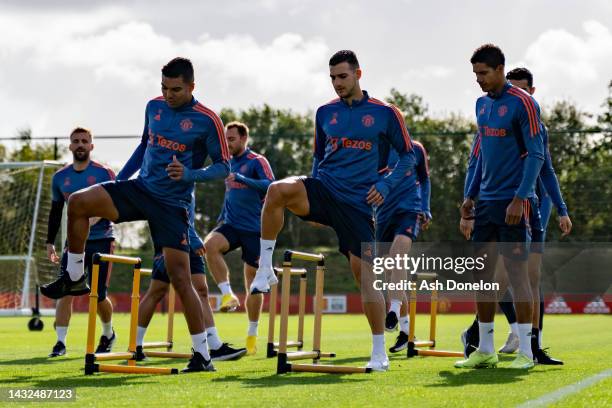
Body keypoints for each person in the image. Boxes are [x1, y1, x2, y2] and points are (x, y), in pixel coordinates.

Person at [41, 57, 230, 373]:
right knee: (77, 202)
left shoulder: (207, 120)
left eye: (176, 89)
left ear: (192, 87)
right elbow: (144, 145)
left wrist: (189, 174)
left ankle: (203, 356)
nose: (169, 95)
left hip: (173, 205)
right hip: (141, 189)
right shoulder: (153, 107)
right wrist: (118, 182)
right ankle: (74, 276)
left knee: (182, 279)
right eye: (164, 88)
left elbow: (224, 168)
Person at [249, 50, 417, 371]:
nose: (337, 83)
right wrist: (310, 203)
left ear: (358, 74)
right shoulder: (324, 113)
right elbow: (317, 157)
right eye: (332, 78)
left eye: (342, 76)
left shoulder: (386, 113)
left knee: (365, 275)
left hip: (357, 204)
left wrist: (385, 186)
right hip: (323, 188)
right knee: (276, 190)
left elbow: (408, 157)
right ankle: (264, 269)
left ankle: (379, 352)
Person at [460, 67, 571, 365]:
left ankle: (530, 347)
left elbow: (545, 170)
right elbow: (477, 162)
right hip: (493, 205)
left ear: (530, 93)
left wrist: (560, 209)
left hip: (528, 209)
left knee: (527, 278)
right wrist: (468, 199)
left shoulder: (535, 126)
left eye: (523, 90)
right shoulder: (489, 114)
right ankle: (483, 339)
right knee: (492, 279)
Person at [456, 44, 545, 370]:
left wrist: (520, 198)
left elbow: (536, 155)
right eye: (475, 74)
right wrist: (470, 196)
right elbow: (480, 157)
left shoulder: (524, 104)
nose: (478, 80)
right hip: (487, 205)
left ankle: (525, 352)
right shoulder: (481, 105)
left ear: (499, 69)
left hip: (514, 204)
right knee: (482, 278)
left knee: (519, 277)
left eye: (483, 73)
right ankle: (486, 349)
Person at [136, 198, 246, 362]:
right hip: (172, 242)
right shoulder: (165, 183)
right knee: (157, 291)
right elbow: (172, 216)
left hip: (190, 241)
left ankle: (215, 346)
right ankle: (135, 345)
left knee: (201, 291)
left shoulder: (189, 180)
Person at [203, 121, 274, 355]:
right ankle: (227, 295)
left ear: (244, 138)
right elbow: (230, 194)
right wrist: (221, 217)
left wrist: (243, 179)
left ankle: (252, 332)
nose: (227, 143)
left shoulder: (256, 161)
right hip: (231, 225)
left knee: (253, 285)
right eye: (225, 139)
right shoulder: (228, 163)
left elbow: (270, 187)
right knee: (209, 246)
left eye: (231, 139)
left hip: (255, 229)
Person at [45, 127, 116, 357]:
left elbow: (116, 205)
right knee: (66, 291)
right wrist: (50, 242)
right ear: (70, 146)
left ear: (91, 146)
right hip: (74, 245)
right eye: (76, 141)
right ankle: (60, 343)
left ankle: (107, 333)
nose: (80, 144)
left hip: (102, 241)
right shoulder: (60, 178)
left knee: (98, 295)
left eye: (84, 141)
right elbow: (56, 211)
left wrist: (91, 220)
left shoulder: (105, 173)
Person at [378, 141, 432, 354]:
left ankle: (391, 310)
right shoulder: (376, 148)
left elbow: (425, 180)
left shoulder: (415, 148)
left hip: (410, 210)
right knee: (390, 271)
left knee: (397, 256)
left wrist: (425, 208)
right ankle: (406, 331)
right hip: (382, 215)